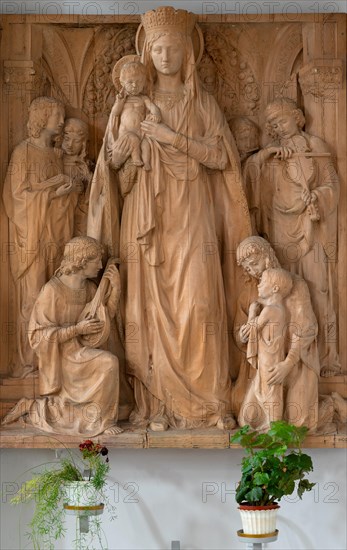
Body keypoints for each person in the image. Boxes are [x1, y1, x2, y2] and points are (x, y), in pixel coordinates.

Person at [88, 7, 251, 431]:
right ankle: (155, 405)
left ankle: (213, 403)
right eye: (156, 48)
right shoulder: (130, 106)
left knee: (200, 304)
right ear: (146, 54)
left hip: (193, 212)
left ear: (186, 55)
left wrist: (171, 138)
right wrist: (126, 148)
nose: (163, 56)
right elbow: (112, 170)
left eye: (171, 49)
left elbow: (221, 157)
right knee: (148, 306)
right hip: (146, 213)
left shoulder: (203, 104)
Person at [245, 98, 340, 377]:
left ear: (297, 118)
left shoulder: (314, 147)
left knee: (317, 288)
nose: (278, 128)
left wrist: (318, 197)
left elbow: (331, 182)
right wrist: (267, 155)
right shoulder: (272, 151)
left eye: (282, 121)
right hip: (278, 229)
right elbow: (249, 176)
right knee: (281, 293)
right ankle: (285, 356)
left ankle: (325, 358)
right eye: (273, 125)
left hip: (309, 228)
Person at [2, 237, 122, 436]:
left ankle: (101, 420)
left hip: (82, 352)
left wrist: (115, 289)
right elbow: (37, 336)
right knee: (109, 363)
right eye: (96, 261)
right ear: (82, 260)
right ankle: (35, 409)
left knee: (109, 363)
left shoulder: (90, 289)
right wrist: (77, 330)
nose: (100, 266)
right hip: (60, 358)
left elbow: (104, 317)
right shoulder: (52, 290)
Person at [2, 96, 80, 377]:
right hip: (31, 239)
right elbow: (16, 198)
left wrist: (68, 191)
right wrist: (51, 193)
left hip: (56, 236)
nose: (61, 121)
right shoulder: (23, 153)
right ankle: (28, 362)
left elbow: (64, 199)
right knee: (34, 298)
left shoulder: (56, 155)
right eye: (56, 115)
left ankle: (54, 360)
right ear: (40, 118)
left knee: (57, 297)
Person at [234, 236, 319, 432]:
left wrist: (287, 365)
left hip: (295, 363)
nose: (253, 271)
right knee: (247, 421)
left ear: (267, 255)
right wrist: (243, 336)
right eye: (248, 269)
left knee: (298, 423)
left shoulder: (296, 286)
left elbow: (305, 330)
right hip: (267, 365)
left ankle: (333, 405)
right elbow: (240, 331)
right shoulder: (256, 291)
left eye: (254, 263)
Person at [239, 268, 293, 431]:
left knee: (272, 395)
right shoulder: (278, 309)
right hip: (266, 363)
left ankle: (274, 430)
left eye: (262, 282)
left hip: (270, 365)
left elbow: (251, 330)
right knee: (264, 396)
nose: (258, 285)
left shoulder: (271, 310)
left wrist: (252, 312)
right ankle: (269, 427)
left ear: (275, 288)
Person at [107, 58, 161, 171]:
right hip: (126, 135)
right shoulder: (122, 100)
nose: (134, 85)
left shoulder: (144, 98)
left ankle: (146, 163)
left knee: (146, 144)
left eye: (139, 82)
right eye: (130, 82)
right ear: (122, 83)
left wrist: (156, 114)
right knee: (133, 140)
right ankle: (136, 158)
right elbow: (115, 113)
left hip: (140, 133)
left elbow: (152, 107)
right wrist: (119, 102)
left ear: (144, 83)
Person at [62, 117, 94, 236]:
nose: (70, 145)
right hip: (62, 212)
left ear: (83, 144)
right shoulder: (55, 161)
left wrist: (89, 178)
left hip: (81, 211)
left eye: (76, 141)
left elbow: (93, 194)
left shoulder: (86, 164)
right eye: (67, 139)